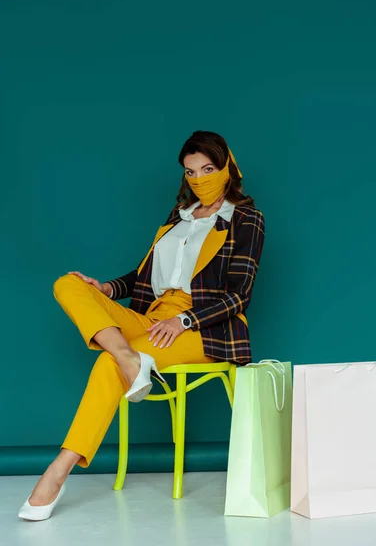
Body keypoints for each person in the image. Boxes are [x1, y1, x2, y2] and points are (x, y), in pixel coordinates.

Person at [18, 130, 265, 521]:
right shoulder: (176, 219)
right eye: (190, 171)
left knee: (106, 366)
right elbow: (142, 278)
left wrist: (183, 320)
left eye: (207, 168)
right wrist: (105, 289)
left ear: (226, 168)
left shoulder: (245, 218)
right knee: (68, 284)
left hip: (203, 328)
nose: (198, 178)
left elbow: (239, 295)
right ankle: (129, 359)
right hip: (151, 319)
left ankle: (56, 472)